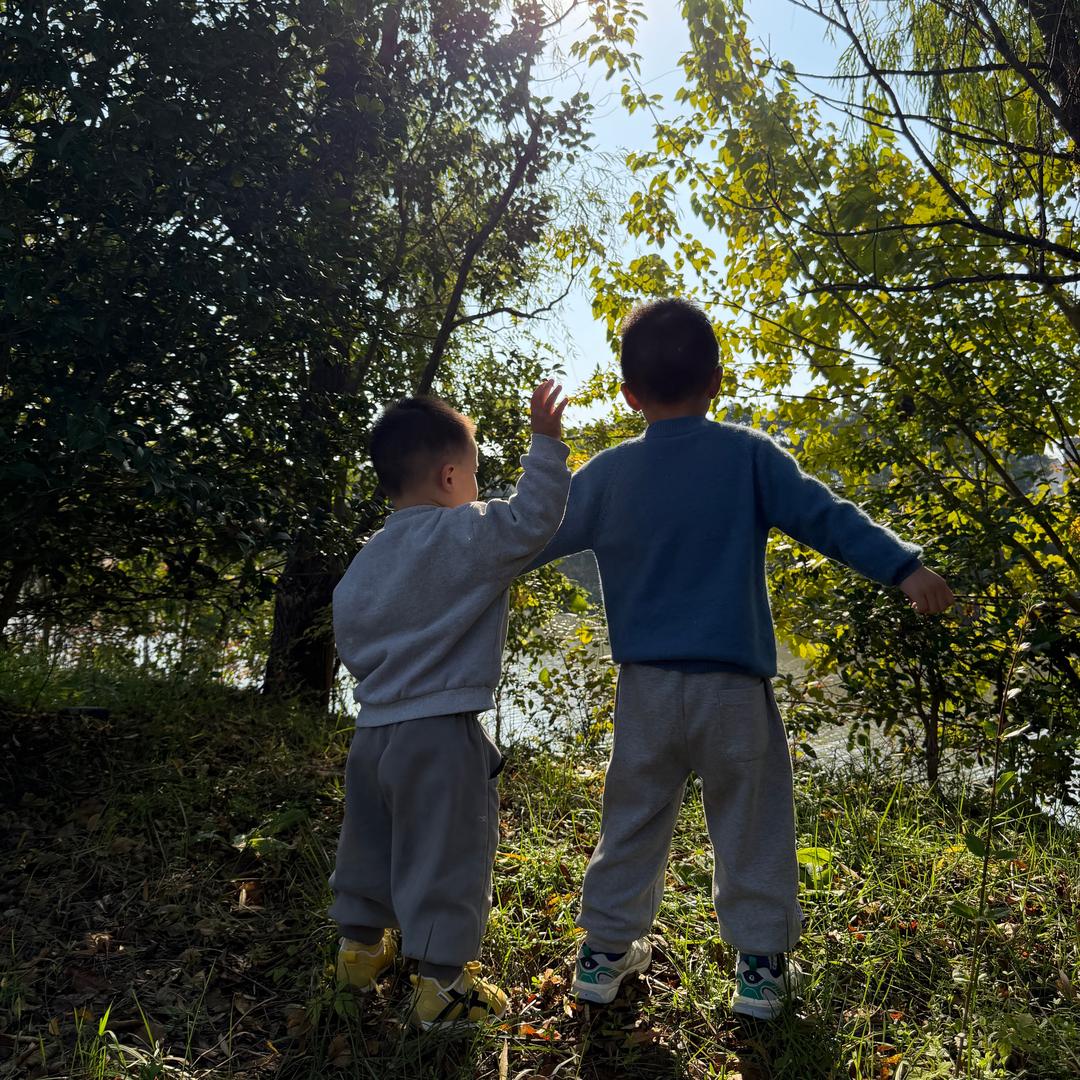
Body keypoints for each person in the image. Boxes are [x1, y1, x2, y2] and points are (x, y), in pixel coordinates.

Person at [527, 299, 954, 1019]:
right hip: (732, 689)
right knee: (752, 823)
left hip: (647, 692)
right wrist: (903, 567)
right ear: (717, 382)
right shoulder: (749, 455)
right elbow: (827, 515)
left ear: (629, 394)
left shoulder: (606, 474)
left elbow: (528, 536)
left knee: (631, 819)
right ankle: (757, 973)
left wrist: (447, 549)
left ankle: (601, 958)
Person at [330, 380, 569, 1029]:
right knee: (449, 854)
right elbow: (532, 520)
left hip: (372, 734)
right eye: (472, 475)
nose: (475, 488)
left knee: (370, 845)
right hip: (441, 737)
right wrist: (545, 447)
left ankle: (359, 950)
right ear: (447, 475)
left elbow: (347, 628)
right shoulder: (467, 532)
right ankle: (441, 989)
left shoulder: (367, 558)